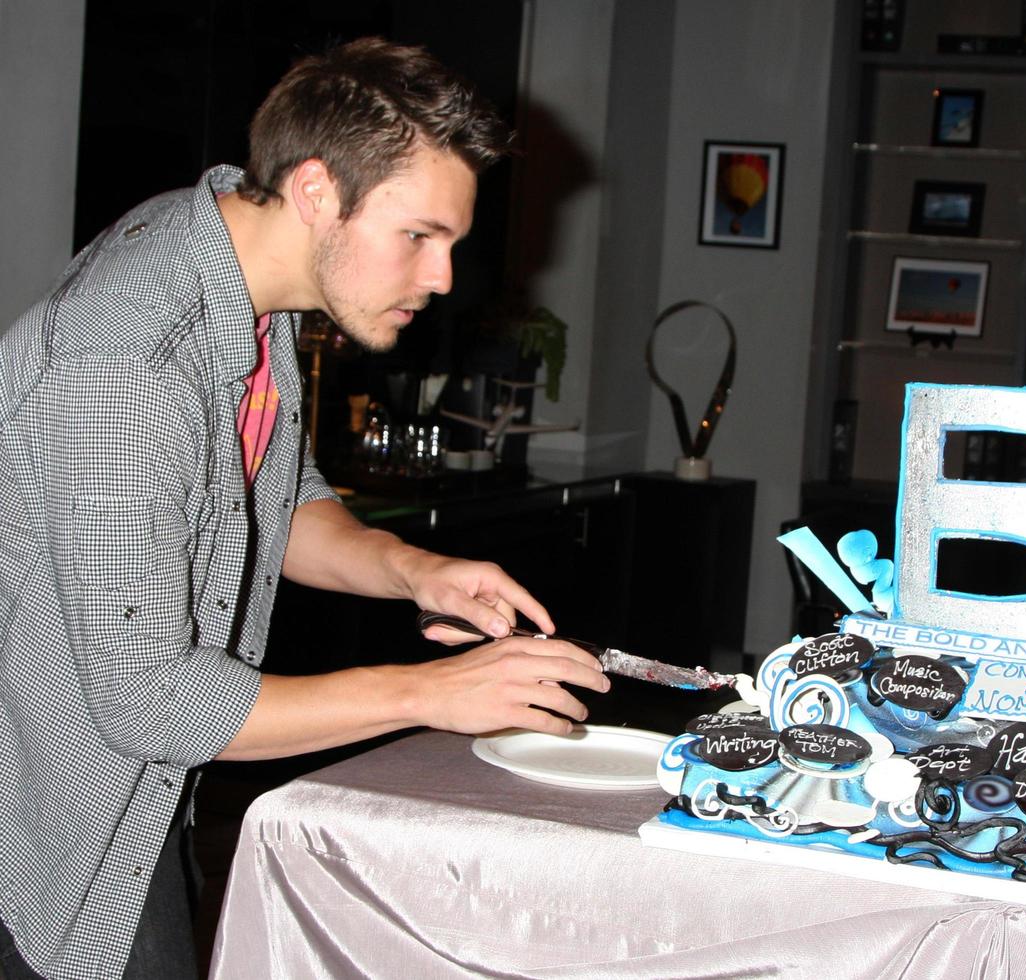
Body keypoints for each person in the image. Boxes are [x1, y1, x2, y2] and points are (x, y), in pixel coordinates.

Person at [0, 37, 608, 980]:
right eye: (420, 236)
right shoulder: (132, 363)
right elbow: (149, 699)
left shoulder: (240, 277)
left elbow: (269, 503)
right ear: (319, 191)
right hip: (37, 816)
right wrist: (426, 693)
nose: (444, 277)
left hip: (124, 792)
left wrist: (415, 569)